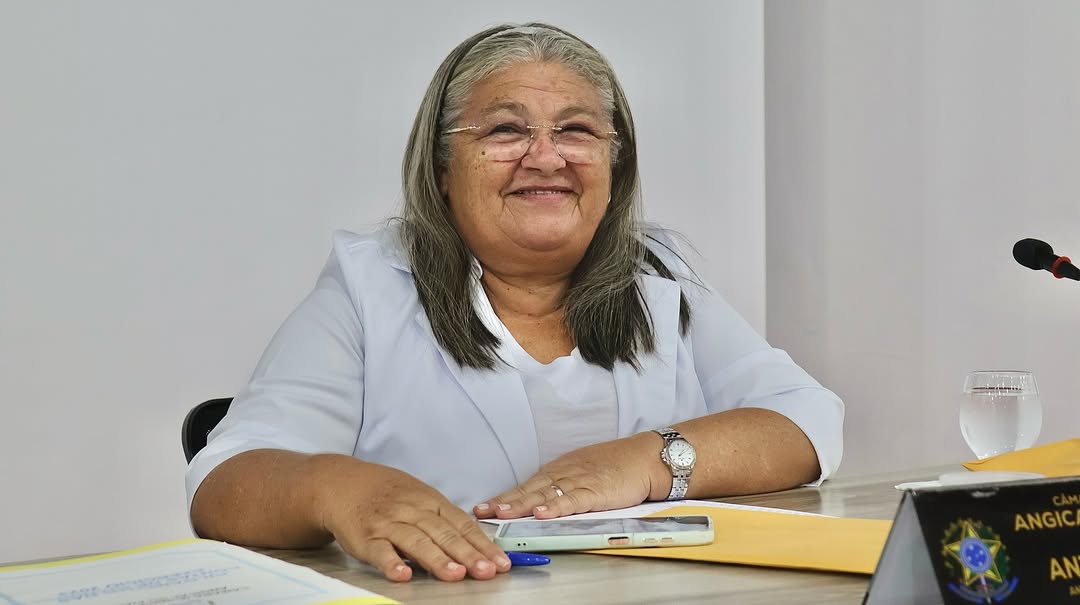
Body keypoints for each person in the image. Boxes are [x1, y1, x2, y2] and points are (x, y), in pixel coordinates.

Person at [186, 22, 844, 584]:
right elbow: (221, 485)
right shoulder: (369, 283)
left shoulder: (657, 271)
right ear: (442, 168)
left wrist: (645, 462)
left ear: (615, 167)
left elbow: (808, 422)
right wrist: (337, 488)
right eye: (506, 129)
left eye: (576, 130)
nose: (546, 157)